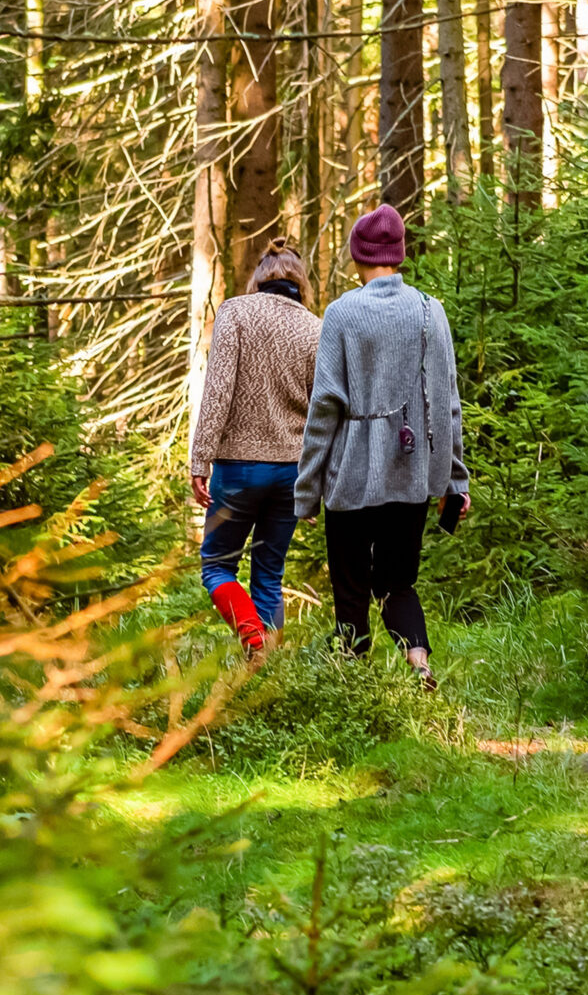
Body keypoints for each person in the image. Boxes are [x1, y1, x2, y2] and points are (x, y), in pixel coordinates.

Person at [294, 204, 471, 689]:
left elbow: (324, 407)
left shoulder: (341, 313)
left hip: (350, 479)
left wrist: (307, 491)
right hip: (411, 476)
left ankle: (353, 687)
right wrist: (454, 479)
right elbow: (447, 400)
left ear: (358, 256)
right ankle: (419, 664)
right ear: (399, 254)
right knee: (398, 583)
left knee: (350, 588)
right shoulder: (430, 311)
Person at [188, 238, 324, 661]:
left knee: (216, 566)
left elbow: (217, 391)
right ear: (300, 281)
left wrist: (200, 459)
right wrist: (318, 480)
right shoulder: (315, 327)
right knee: (269, 574)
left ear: (259, 277)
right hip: (292, 473)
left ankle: (254, 642)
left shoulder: (234, 312)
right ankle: (264, 669)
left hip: (238, 469)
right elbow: (323, 409)